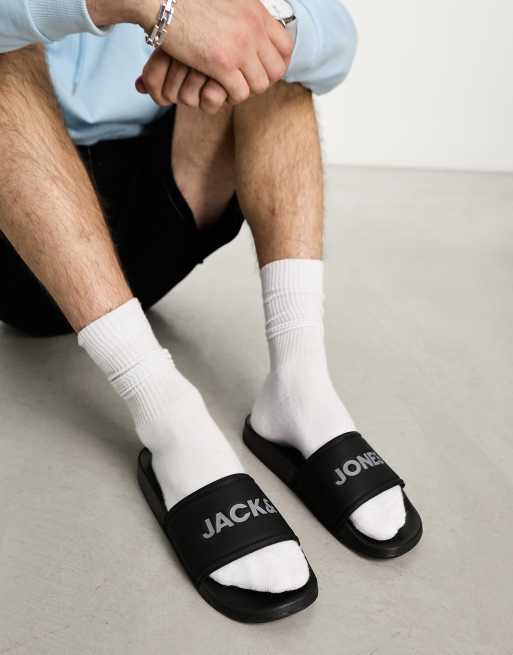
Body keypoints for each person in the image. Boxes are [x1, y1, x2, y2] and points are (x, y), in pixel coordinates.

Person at [0, 0, 416, 621]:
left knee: (267, 40)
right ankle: (168, 413)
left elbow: (335, 37)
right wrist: (154, 9)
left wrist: (241, 30)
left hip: (158, 217)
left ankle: (299, 383)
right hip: (18, 230)